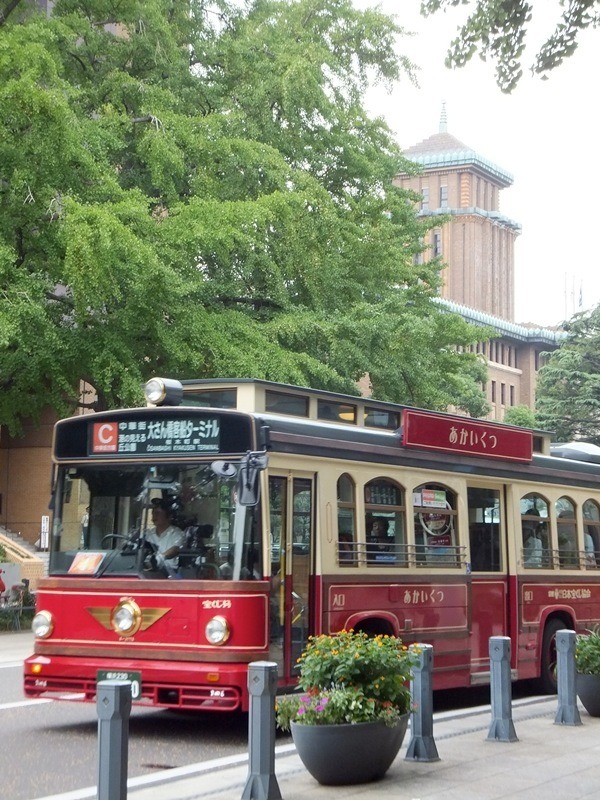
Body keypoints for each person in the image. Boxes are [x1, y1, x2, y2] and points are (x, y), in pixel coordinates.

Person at [144, 498, 185, 574]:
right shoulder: (147, 534)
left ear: (169, 516)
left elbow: (176, 549)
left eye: (157, 513)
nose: (154, 516)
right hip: (148, 573)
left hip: (169, 574)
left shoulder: (177, 533)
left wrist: (160, 559)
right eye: (153, 513)